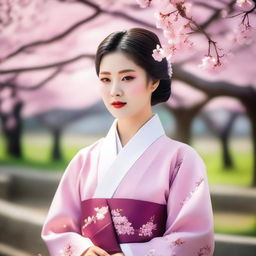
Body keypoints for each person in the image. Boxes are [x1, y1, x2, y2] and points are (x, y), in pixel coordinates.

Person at [41, 27, 214, 256]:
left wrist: (132, 253)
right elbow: (57, 229)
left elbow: (192, 238)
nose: (114, 91)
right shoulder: (85, 159)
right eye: (105, 79)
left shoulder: (181, 159)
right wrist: (82, 251)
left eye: (127, 78)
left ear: (153, 81)